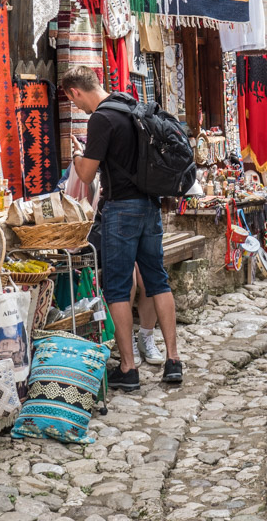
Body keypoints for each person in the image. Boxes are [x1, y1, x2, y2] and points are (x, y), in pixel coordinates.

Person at [62, 66, 183, 390]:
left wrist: (76, 154)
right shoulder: (130, 104)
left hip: (121, 211)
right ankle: (173, 360)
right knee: (157, 280)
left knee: (116, 288)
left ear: (75, 91)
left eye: (74, 102)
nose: (78, 108)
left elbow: (86, 175)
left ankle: (128, 369)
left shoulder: (101, 118)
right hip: (149, 205)